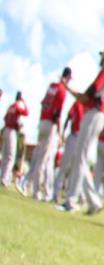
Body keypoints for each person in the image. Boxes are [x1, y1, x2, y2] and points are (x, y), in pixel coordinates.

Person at [60, 47, 104, 213]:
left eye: (103, 54)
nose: (101, 57)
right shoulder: (103, 72)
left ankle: (71, 201)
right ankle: (93, 202)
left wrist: (69, 88)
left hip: (94, 115)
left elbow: (87, 96)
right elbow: (85, 97)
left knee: (81, 157)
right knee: (80, 158)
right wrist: (69, 88)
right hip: (92, 114)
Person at [22, 68, 70, 199]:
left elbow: (43, 103)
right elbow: (57, 115)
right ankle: (36, 191)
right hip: (50, 124)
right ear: (68, 77)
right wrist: (60, 133)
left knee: (38, 156)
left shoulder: (51, 87)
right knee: (43, 159)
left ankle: (27, 184)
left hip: (42, 121)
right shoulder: (62, 90)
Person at [53, 101, 85, 203]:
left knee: (75, 170)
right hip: (73, 136)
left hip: (82, 140)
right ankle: (55, 194)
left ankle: (69, 198)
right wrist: (63, 134)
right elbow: (68, 117)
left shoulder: (91, 108)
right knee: (63, 167)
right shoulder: (78, 103)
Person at [1, 91, 28, 186]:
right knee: (10, 156)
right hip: (11, 130)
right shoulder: (17, 106)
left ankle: (2, 177)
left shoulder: (11, 106)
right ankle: (4, 179)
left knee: (5, 156)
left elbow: (5, 118)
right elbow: (26, 112)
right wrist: (24, 102)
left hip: (5, 130)